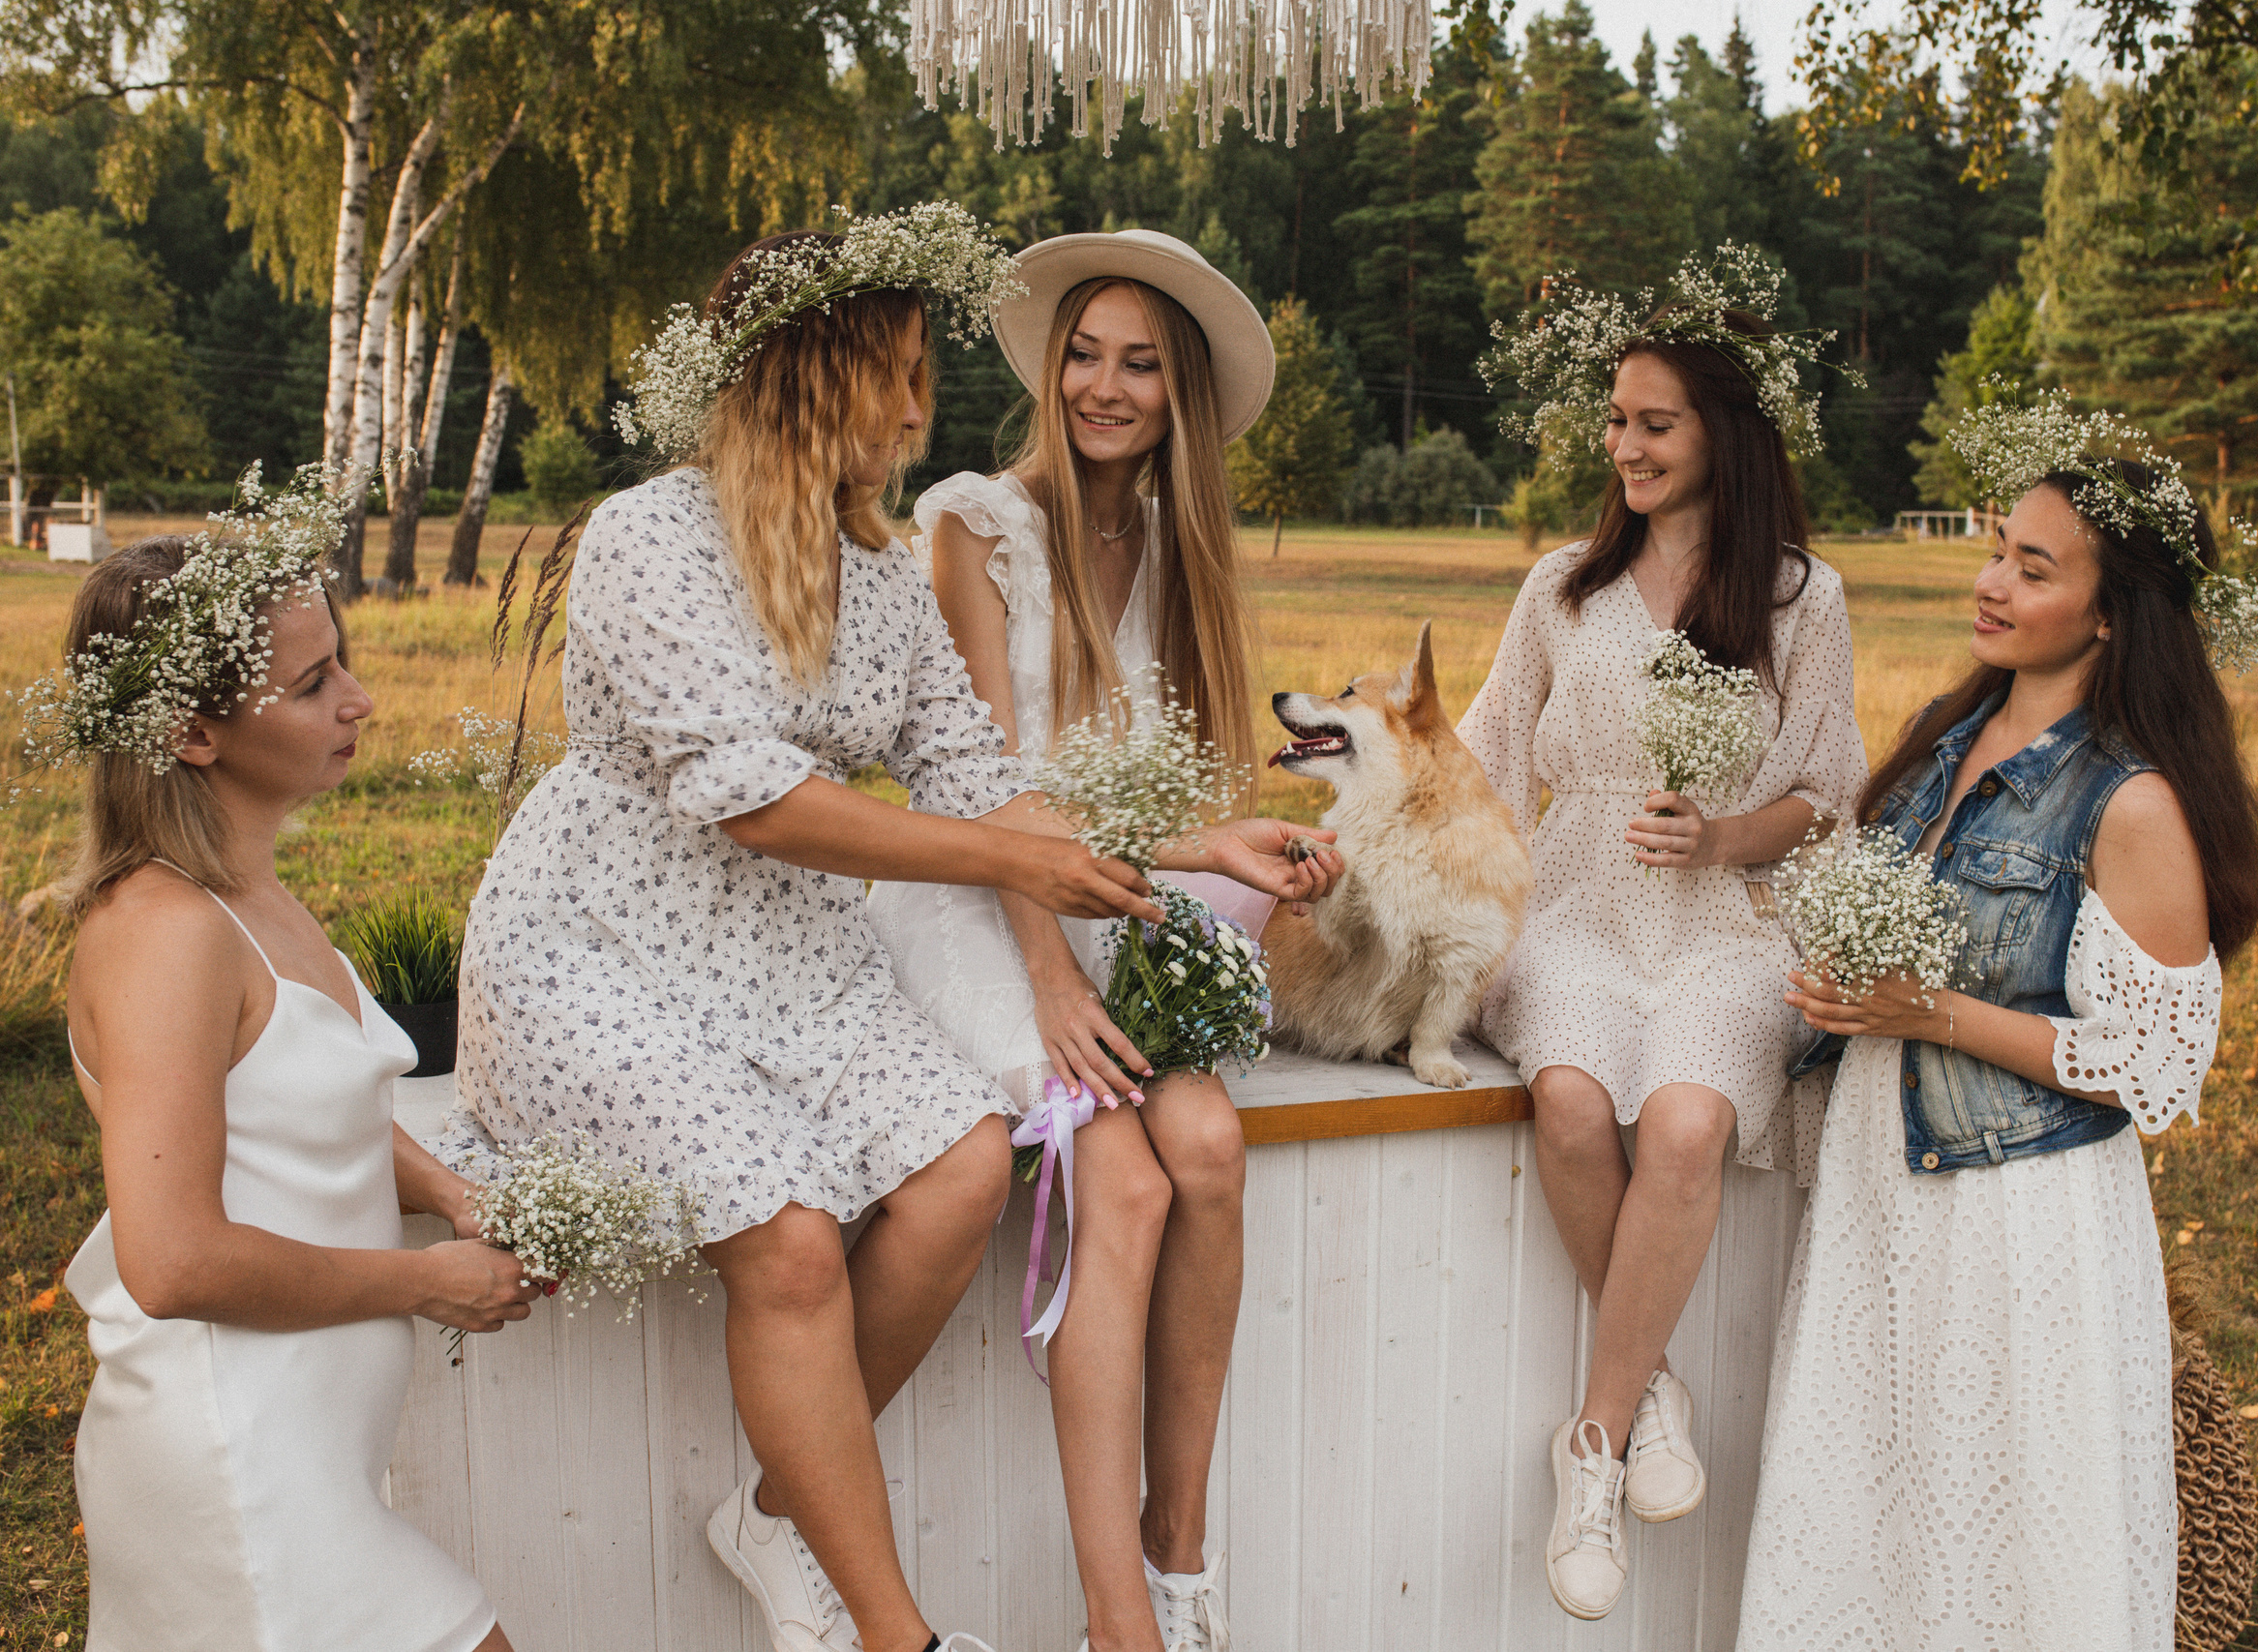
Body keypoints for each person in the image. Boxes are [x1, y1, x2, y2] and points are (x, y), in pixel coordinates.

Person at [445, 213, 1333, 1652]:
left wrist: (1188, 842)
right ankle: (891, 1631)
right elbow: (760, 804)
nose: (920, 408)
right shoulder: (647, 535)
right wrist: (1010, 861)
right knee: (793, 1237)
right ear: (805, 372)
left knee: (967, 1162)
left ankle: (782, 1504)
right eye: (896, 373)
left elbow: (985, 774)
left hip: (782, 951)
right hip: (604, 942)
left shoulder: (873, 573)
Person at [1738, 406, 2258, 1649]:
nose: (1991, 582)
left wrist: (1924, 1010)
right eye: (1996, 548)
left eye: (2032, 568)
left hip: (2013, 1221)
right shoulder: (1945, 737)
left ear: (2108, 615)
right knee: (1868, 1522)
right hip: (1881, 1185)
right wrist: (1841, 982)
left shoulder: (2128, 798)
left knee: (1999, 1547)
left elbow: (2149, 1066)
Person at [871, 228, 1335, 1652]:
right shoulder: (974, 520)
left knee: (1207, 1145)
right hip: (979, 909)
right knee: (1122, 1179)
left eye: (1139, 362)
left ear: (1179, 393)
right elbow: (974, 782)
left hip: (1111, 903)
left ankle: (1177, 1547)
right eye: (1085, 352)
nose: (1104, 385)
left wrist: (1232, 845)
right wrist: (1053, 975)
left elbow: (1157, 802)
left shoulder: (1178, 550)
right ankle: (1118, 1619)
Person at [51, 519, 539, 1652]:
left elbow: (303, 1109)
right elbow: (169, 1261)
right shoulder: (162, 935)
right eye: (313, 682)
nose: (359, 700)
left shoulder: (248, 894)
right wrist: (424, 1284)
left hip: (305, 1449)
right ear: (190, 731)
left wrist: (451, 1191)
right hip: (233, 1467)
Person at [1460, 269, 1867, 1621]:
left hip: (1729, 926)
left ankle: (1591, 1438)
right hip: (1578, 909)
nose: (1627, 449)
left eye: (1657, 425)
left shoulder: (1806, 599)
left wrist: (1727, 836)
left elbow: (1826, 793)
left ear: (1725, 438)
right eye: (1619, 423)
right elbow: (1485, 770)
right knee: (1572, 1101)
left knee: (1686, 1125)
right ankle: (1657, 1393)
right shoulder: (1560, 591)